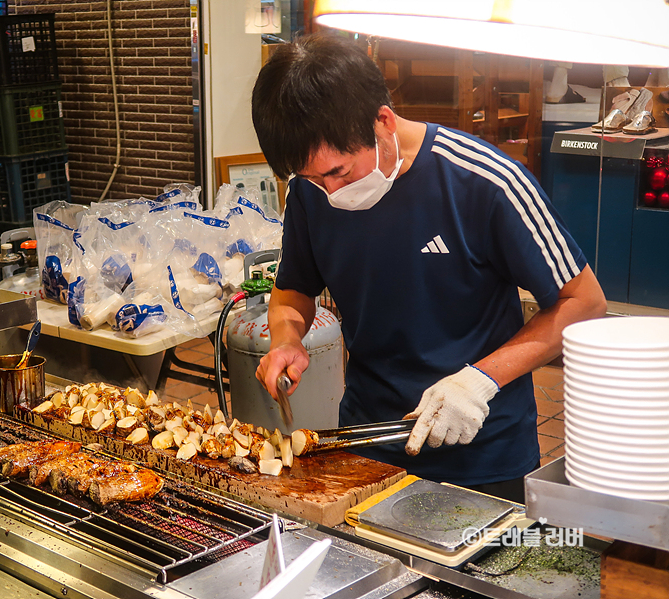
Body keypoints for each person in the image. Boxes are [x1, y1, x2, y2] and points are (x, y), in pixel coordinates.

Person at [251, 34, 607, 503]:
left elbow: (584, 303)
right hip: (367, 446)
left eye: (338, 172)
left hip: (481, 452)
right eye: (312, 179)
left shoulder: (485, 181)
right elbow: (293, 290)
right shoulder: (311, 195)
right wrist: (287, 339)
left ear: (382, 121)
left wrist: (480, 380)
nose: (330, 192)